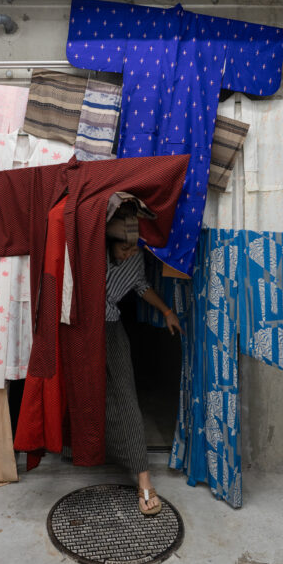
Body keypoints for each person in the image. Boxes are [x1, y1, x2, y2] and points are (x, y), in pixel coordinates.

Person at [103, 221, 181, 516]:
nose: (128, 254)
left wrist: (167, 311)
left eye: (133, 249)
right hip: (80, 328)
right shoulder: (92, 253)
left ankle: (144, 477)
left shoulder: (135, 256)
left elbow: (140, 285)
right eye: (124, 248)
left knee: (125, 395)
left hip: (110, 325)